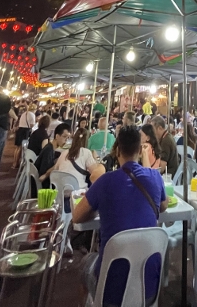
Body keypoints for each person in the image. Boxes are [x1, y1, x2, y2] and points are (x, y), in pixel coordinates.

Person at [73, 126, 168, 306]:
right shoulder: (155, 178)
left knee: (86, 262)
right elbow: (163, 206)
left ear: (117, 150)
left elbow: (77, 217)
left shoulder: (105, 182)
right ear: (140, 151)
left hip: (110, 292)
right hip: (149, 289)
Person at [13, 102, 36, 168]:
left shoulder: (24, 113)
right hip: (25, 131)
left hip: (20, 130)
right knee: (21, 148)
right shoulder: (32, 115)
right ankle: (16, 163)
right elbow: (32, 125)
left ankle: (14, 162)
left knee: (17, 147)